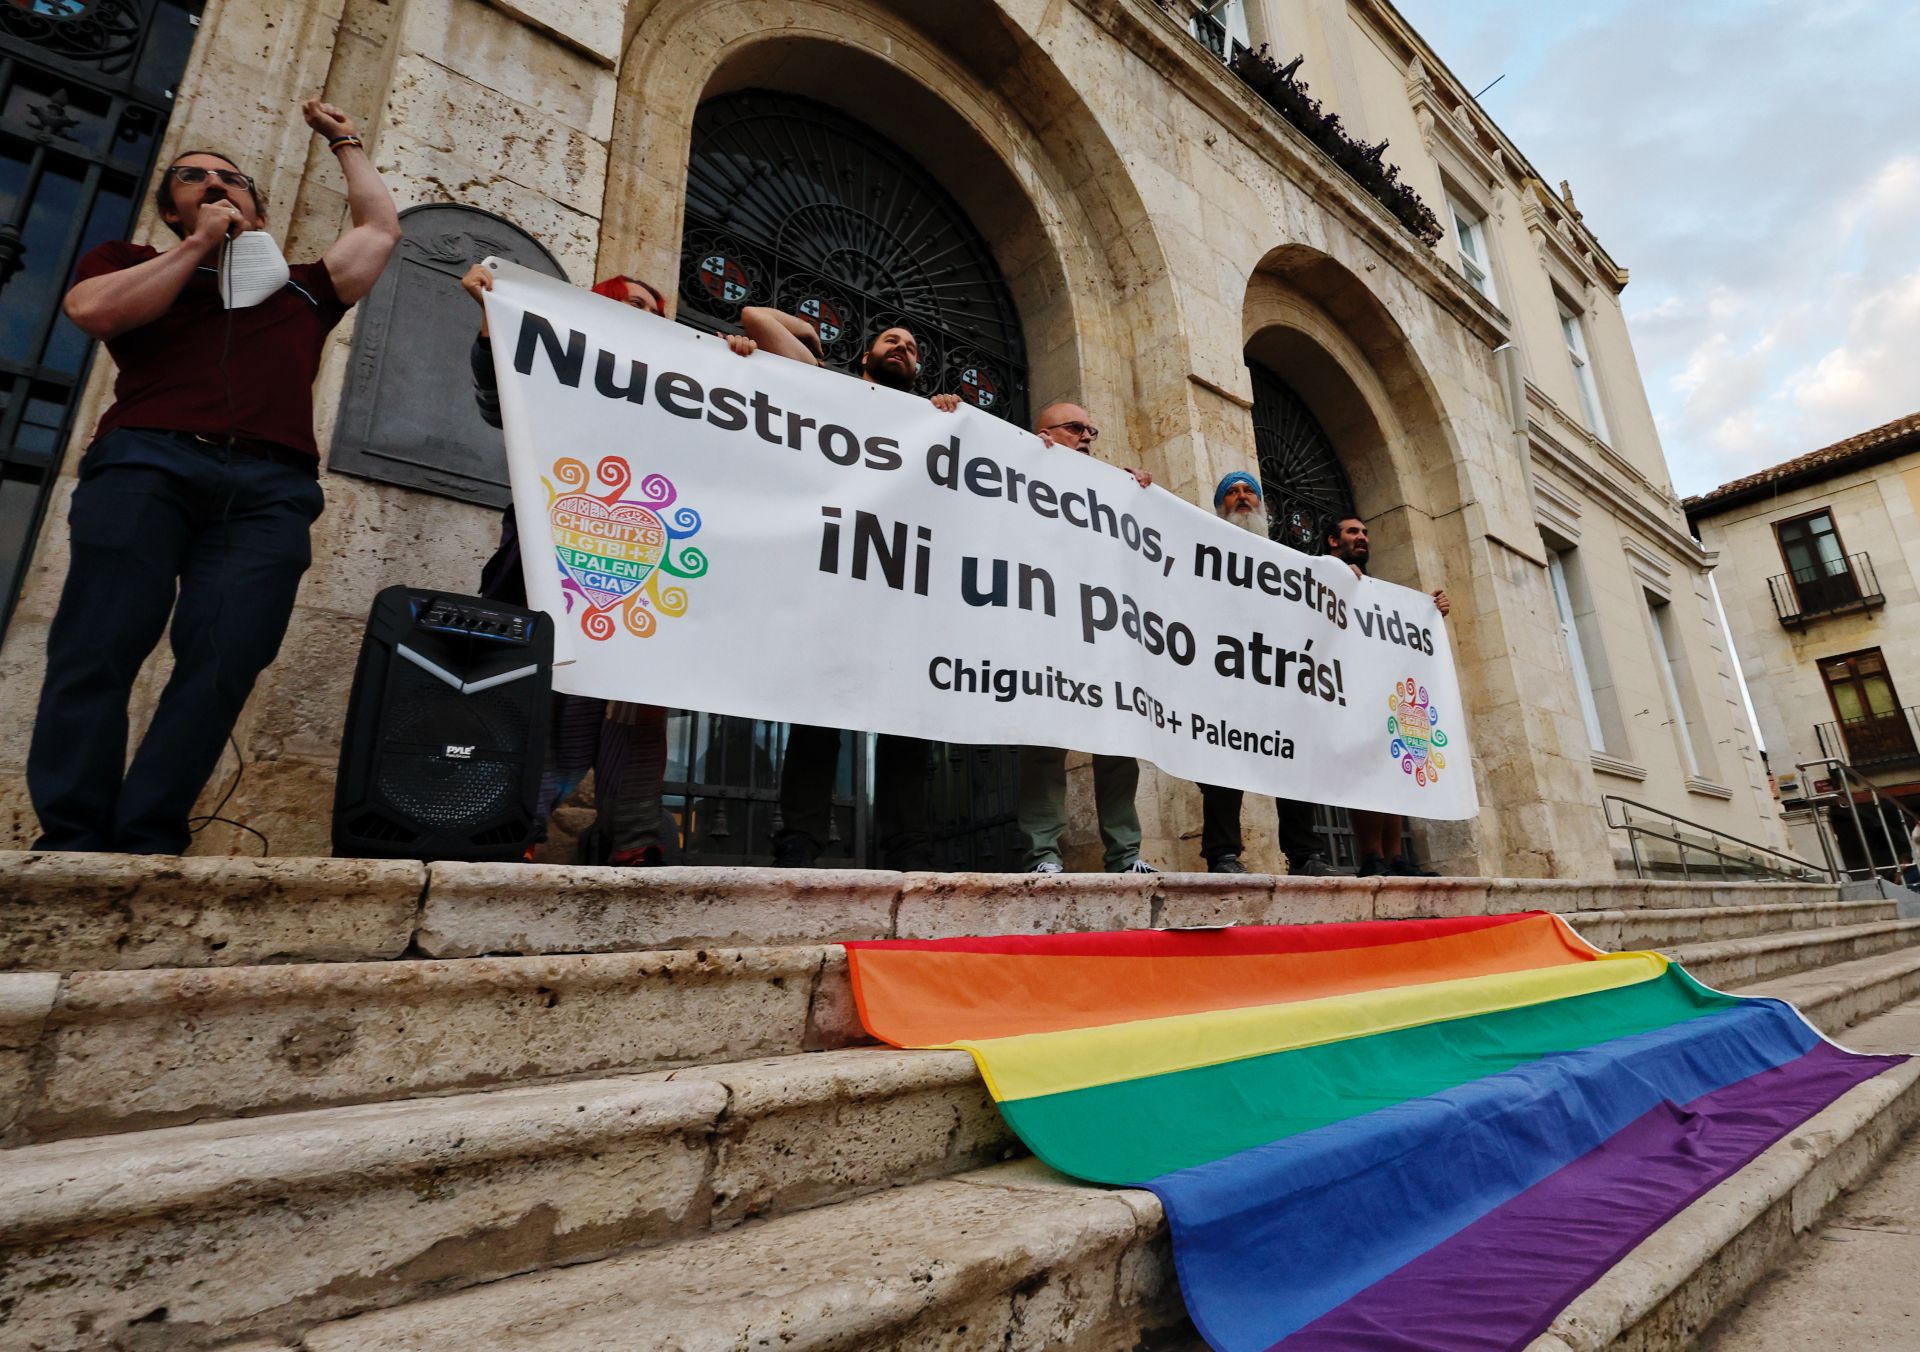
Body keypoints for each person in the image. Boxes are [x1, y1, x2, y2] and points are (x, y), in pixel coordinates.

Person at [29, 101, 401, 853]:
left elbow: (379, 230)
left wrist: (344, 140)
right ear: (172, 210)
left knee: (227, 656)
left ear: (258, 207)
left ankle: (148, 829)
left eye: (231, 178)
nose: (213, 182)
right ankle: (73, 832)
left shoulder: (306, 288)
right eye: (192, 177)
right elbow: (93, 312)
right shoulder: (128, 260)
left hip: (269, 491)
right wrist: (198, 246)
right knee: (98, 644)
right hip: (147, 464)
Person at [461, 265, 749, 864]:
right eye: (632, 303)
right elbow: (497, 399)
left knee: (631, 699)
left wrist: (739, 370)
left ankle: (635, 839)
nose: (645, 315)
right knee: (545, 694)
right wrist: (494, 316)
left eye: (654, 310)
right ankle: (516, 829)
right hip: (551, 560)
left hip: (644, 564)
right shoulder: (565, 369)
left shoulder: (683, 389)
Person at [736, 308, 937, 870]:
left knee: (906, 720)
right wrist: (810, 334)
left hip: (902, 586)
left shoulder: (934, 422)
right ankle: (802, 836)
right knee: (818, 711)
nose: (902, 348)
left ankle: (909, 845)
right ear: (865, 356)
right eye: (891, 339)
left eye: (912, 348)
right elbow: (754, 317)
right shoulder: (827, 388)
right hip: (833, 576)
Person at [1015, 401, 1160, 874]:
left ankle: (1126, 854)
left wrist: (1136, 494)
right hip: (1045, 626)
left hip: (1102, 630)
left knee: (1118, 743)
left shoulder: (1108, 487)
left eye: (1091, 431)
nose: (1086, 438)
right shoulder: (1015, 467)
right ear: (1044, 432)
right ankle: (1043, 852)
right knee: (1046, 743)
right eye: (1075, 428)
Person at [1195, 471, 1337, 875]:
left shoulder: (1289, 562)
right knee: (1222, 763)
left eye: (1249, 491)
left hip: (1278, 676)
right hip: (1225, 673)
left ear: (1262, 505)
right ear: (1220, 507)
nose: (1242, 497)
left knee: (1293, 760)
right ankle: (1222, 854)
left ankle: (1304, 855)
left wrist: (1350, 580)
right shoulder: (1203, 549)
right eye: (1232, 493)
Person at [1324, 514, 1451, 877]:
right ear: (1333, 540)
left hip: (1382, 687)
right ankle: (1372, 857)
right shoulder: (1323, 570)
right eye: (1353, 531)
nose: (1362, 537)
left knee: (1392, 766)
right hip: (1344, 686)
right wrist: (1337, 577)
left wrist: (1430, 613)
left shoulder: (1373, 587)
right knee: (1365, 769)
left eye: (1365, 532)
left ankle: (1394, 857)